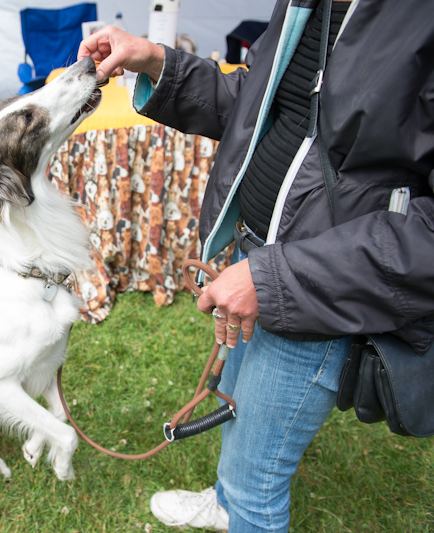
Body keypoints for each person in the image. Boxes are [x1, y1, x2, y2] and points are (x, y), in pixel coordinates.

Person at [79, 1, 434, 531]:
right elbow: (263, 103)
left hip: (322, 293)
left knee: (257, 487)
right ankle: (225, 502)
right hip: (261, 261)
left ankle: (238, 504)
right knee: (237, 408)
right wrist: (158, 62)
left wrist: (276, 279)